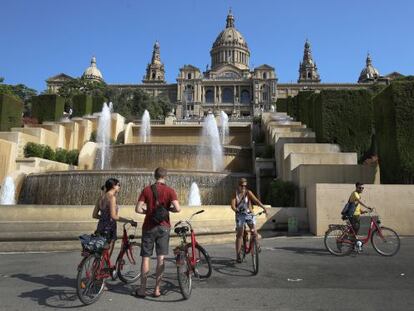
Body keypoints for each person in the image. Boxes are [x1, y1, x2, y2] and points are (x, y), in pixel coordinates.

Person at [134, 167, 181, 298]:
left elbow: (137, 209)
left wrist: (148, 212)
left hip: (148, 226)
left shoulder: (147, 189)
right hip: (164, 227)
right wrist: (168, 209)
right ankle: (157, 290)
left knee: (146, 257)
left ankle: (142, 290)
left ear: (154, 176)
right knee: (161, 258)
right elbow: (178, 208)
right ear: (165, 176)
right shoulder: (170, 191)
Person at [92, 178, 135, 259]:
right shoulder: (112, 197)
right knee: (107, 254)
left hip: (100, 226)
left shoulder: (101, 197)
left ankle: (98, 268)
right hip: (109, 228)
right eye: (118, 185)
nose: (119, 187)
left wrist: (104, 218)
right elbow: (114, 216)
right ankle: (105, 270)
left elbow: (94, 215)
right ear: (113, 186)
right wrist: (129, 221)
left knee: (101, 252)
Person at [231, 178, 267, 263]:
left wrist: (263, 207)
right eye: (242, 185)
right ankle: (238, 255)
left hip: (249, 214)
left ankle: (256, 244)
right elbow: (232, 205)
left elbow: (256, 201)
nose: (243, 187)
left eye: (245, 186)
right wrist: (236, 210)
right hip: (240, 215)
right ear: (239, 185)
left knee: (254, 231)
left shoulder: (248, 192)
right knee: (240, 234)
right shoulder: (235, 194)